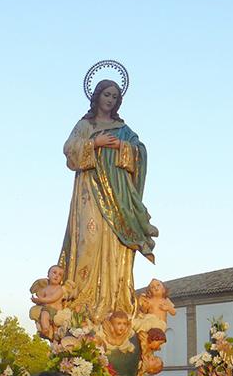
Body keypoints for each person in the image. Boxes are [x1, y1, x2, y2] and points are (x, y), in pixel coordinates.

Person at [58, 78, 158, 322]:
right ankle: (82, 303)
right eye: (107, 95)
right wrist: (95, 143)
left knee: (115, 244)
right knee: (88, 240)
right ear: (97, 96)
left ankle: (114, 302)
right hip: (89, 191)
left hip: (118, 195)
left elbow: (140, 152)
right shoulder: (85, 125)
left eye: (115, 96)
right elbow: (69, 150)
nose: (110, 100)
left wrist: (124, 146)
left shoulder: (124, 130)